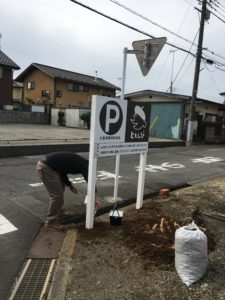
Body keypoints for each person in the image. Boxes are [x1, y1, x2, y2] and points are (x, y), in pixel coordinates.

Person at [36, 151, 99, 231]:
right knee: (57, 195)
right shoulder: (85, 166)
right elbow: (91, 183)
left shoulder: (80, 162)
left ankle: (58, 211)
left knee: (61, 188)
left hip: (51, 167)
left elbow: (62, 172)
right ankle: (50, 222)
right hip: (46, 167)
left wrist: (70, 185)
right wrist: (95, 199)